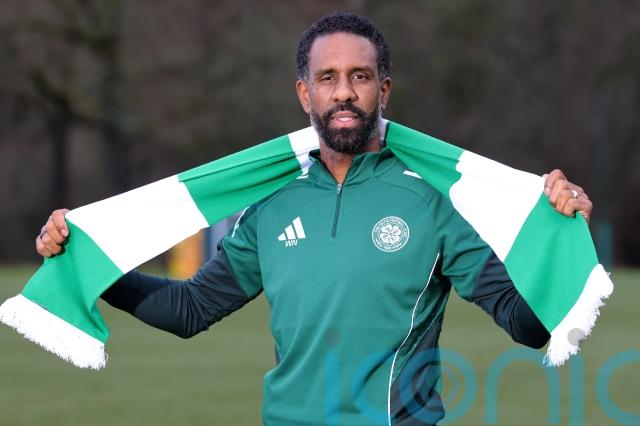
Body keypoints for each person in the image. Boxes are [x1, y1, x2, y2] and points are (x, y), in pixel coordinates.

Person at [36, 12, 593, 426]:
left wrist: (561, 241)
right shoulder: (273, 200)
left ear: (383, 89)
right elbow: (189, 310)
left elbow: (526, 325)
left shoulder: (436, 200)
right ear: (305, 94)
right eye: (327, 78)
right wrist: (92, 264)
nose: (344, 92)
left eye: (360, 76)